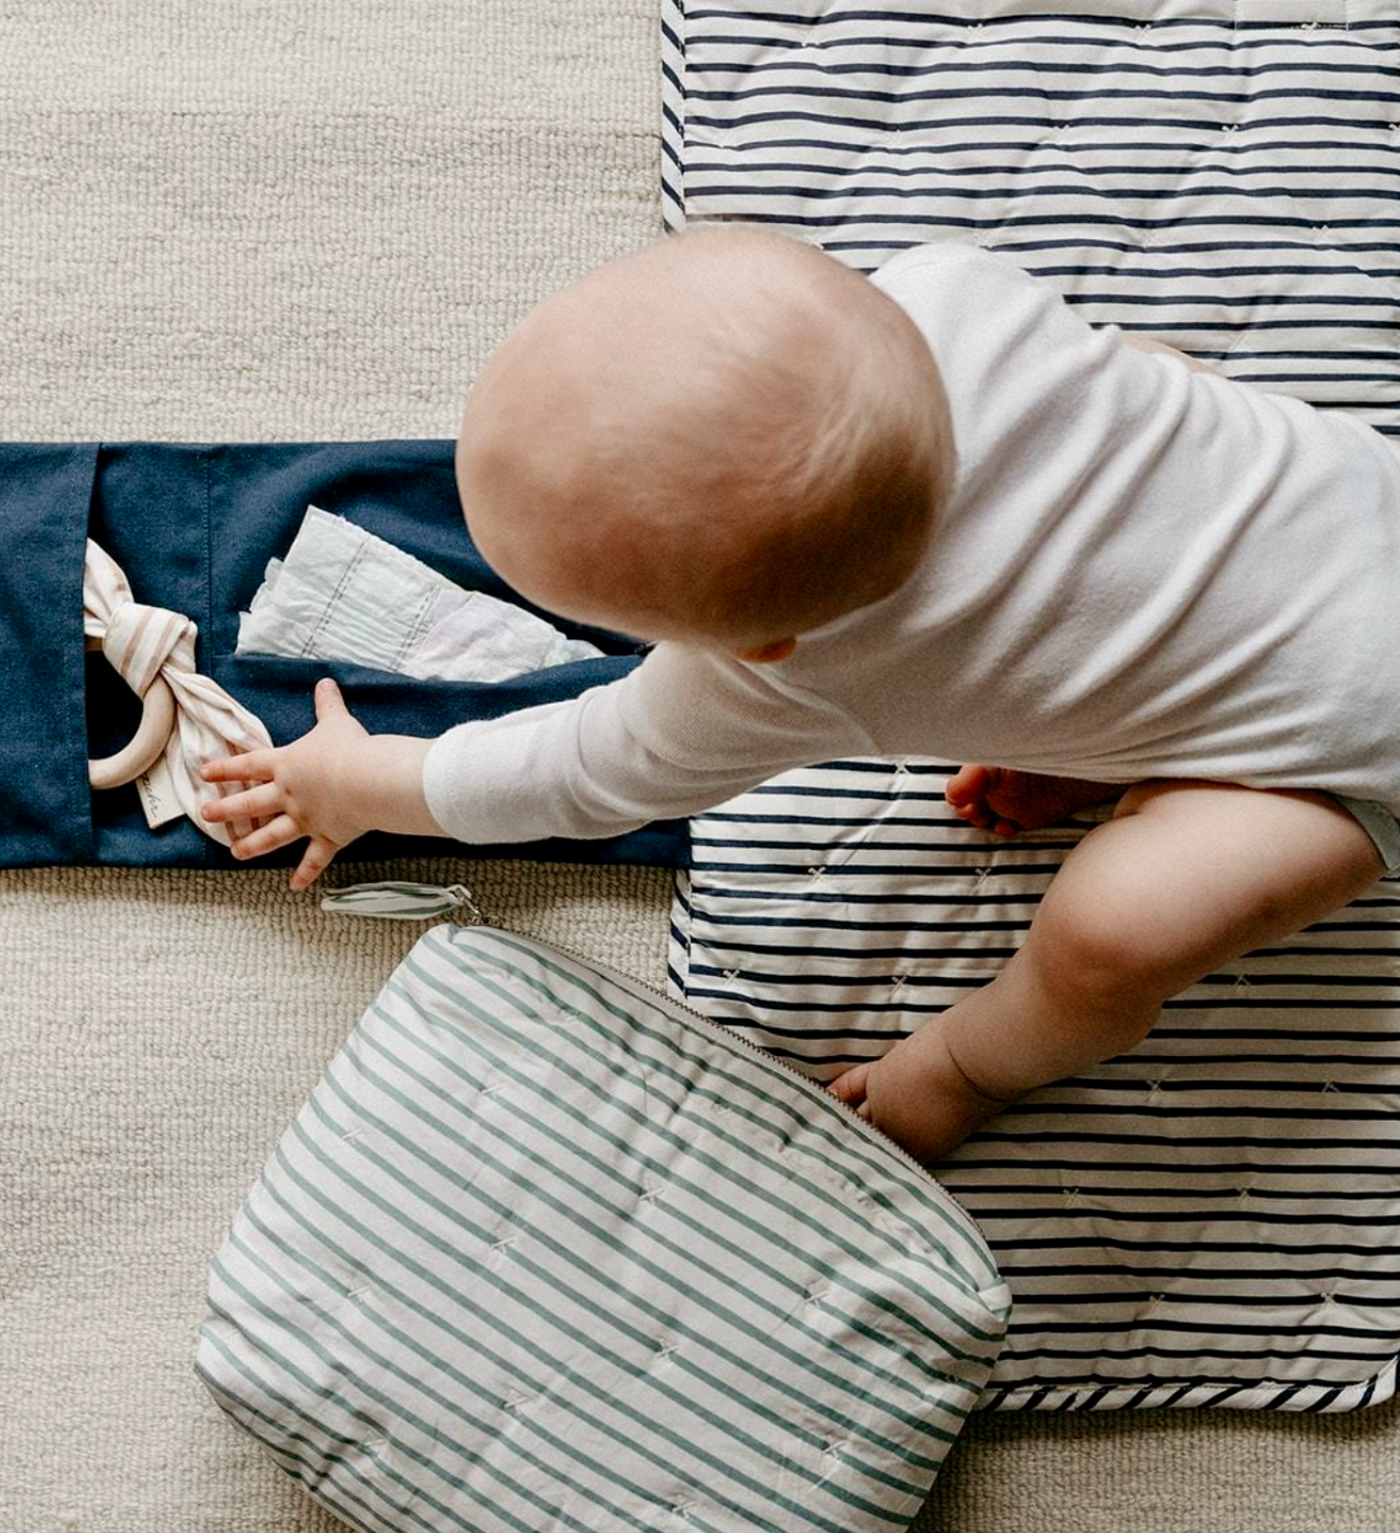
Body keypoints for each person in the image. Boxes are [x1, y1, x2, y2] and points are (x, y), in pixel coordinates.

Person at [201, 223, 1398, 1162]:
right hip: (1357, 504)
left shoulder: (786, 684)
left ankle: (970, 1069)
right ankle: (1096, 725)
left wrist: (352, 780)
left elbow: (566, 772)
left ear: (764, 643)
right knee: (1148, 381)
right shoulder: (949, 292)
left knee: (1110, 933)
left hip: (1351, 753)